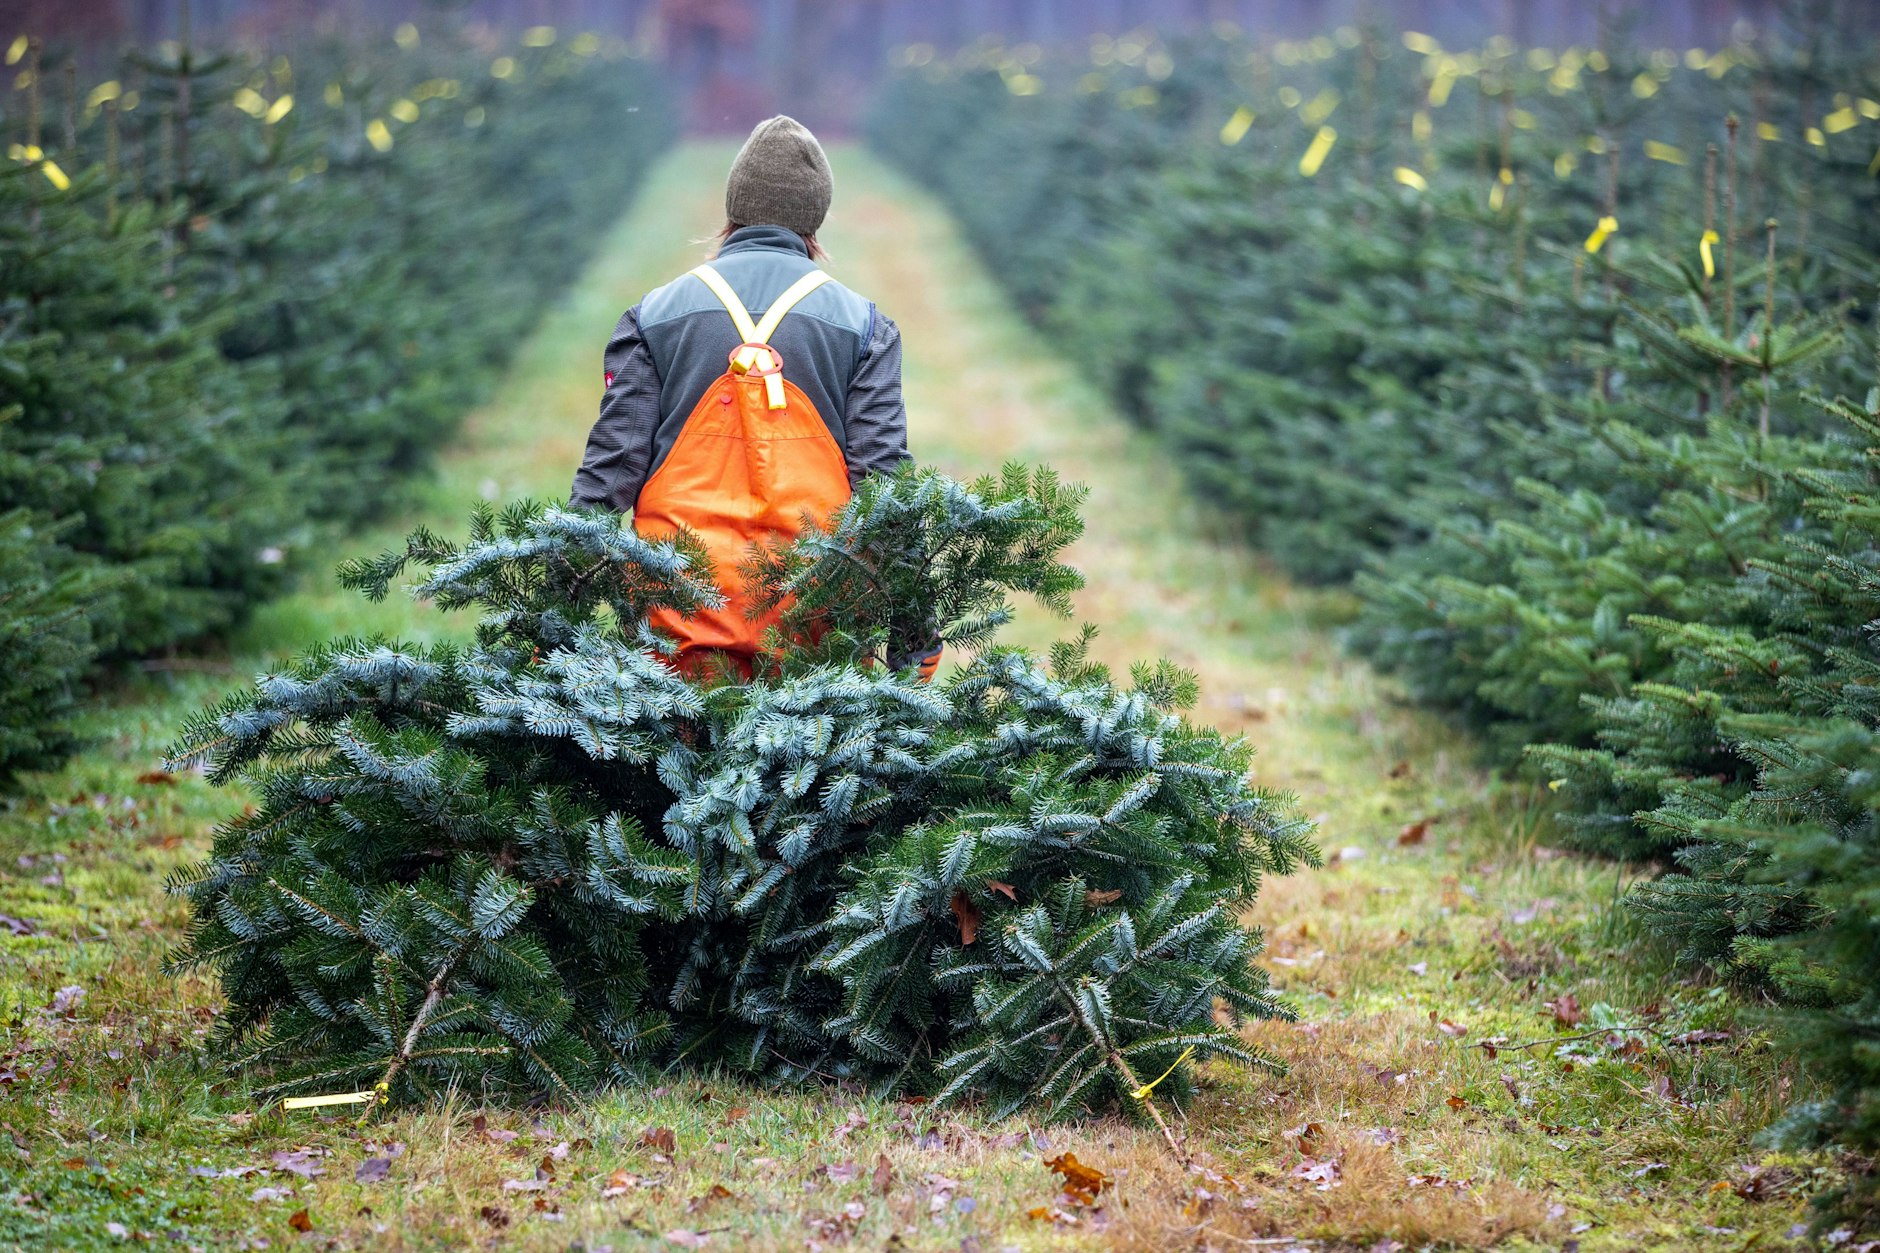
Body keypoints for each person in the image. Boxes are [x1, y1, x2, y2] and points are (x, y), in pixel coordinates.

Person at [571, 116, 929, 681]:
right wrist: (915, 634)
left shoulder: (654, 316)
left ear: (732, 209)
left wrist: (546, 618)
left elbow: (607, 476)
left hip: (676, 628)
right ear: (815, 219)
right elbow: (885, 487)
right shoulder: (865, 328)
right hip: (817, 635)